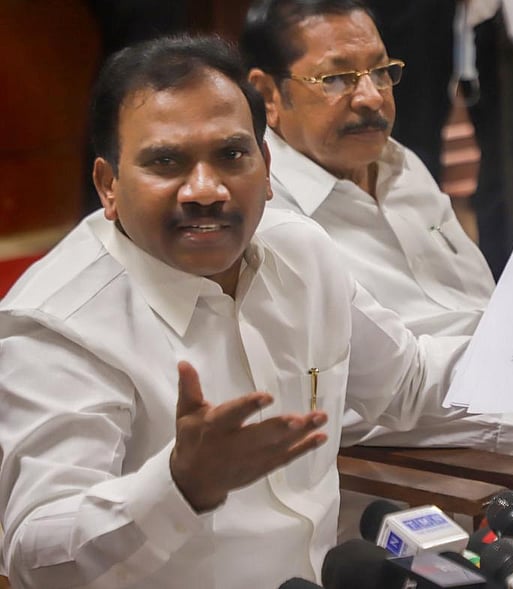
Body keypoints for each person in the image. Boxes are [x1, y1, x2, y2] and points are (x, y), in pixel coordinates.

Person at [0, 35, 471, 588]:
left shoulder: (300, 250)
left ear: (266, 166)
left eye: (231, 155)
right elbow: (34, 553)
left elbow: (407, 382)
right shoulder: (59, 326)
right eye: (166, 162)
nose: (205, 190)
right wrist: (178, 487)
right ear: (108, 185)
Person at [239, 0, 513, 538]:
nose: (372, 97)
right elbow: (352, 405)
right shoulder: (271, 224)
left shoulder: (399, 163)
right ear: (267, 94)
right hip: (461, 474)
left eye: (381, 71)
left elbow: (483, 310)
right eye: (336, 78)